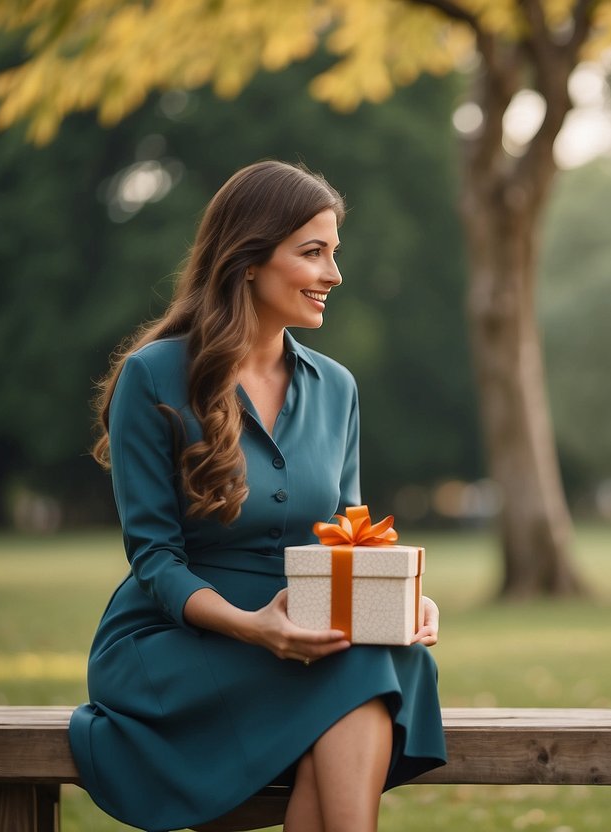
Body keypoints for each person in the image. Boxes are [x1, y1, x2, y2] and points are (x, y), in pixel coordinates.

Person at [69, 160, 446, 832]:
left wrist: (403, 597)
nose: (333, 274)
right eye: (312, 253)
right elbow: (154, 558)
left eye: (334, 253)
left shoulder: (336, 387)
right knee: (361, 670)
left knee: (385, 654)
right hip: (175, 642)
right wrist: (253, 628)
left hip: (302, 636)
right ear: (247, 260)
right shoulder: (151, 376)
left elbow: (346, 539)